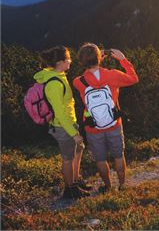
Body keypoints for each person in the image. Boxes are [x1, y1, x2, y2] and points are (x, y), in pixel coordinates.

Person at [73, 43, 138, 193]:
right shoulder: (113, 75)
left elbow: (86, 75)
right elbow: (134, 78)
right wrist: (123, 60)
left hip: (93, 127)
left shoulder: (78, 82)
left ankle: (108, 187)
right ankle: (122, 185)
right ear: (99, 58)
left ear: (82, 62)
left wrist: (94, 61)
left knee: (101, 160)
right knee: (118, 155)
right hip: (114, 123)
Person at [35, 46, 91, 199]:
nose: (70, 61)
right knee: (68, 158)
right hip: (62, 126)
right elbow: (59, 112)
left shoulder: (60, 75)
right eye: (68, 59)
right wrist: (74, 134)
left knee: (79, 148)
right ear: (60, 62)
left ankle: (75, 179)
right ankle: (70, 189)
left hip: (69, 122)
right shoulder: (54, 84)